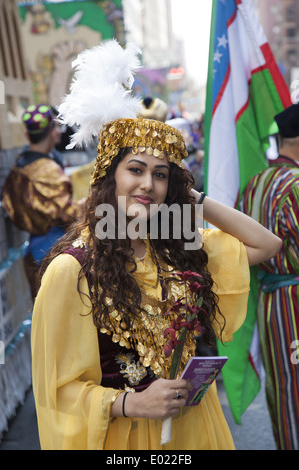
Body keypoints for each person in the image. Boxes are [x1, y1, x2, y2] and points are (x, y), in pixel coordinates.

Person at [31, 40, 282, 450]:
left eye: (161, 175)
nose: (148, 185)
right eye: (135, 170)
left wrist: (192, 198)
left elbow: (265, 244)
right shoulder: (72, 268)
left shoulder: (175, 249)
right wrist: (131, 403)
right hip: (127, 440)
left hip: (196, 428)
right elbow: (56, 390)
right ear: (108, 177)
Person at [240, 103, 299, 450]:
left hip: (270, 301)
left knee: (283, 383)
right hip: (295, 299)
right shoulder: (294, 184)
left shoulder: (256, 183)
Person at [1, 104, 82, 299]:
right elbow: (69, 214)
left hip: (32, 253)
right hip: (55, 252)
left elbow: (10, 208)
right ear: (53, 132)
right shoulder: (48, 171)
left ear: (28, 135)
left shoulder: (18, 166)